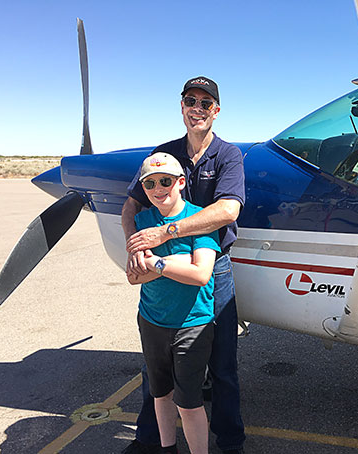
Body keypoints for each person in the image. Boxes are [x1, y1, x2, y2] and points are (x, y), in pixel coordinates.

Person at [122, 76, 246, 454]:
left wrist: (164, 234)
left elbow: (228, 210)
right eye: (190, 100)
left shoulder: (228, 155)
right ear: (181, 106)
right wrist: (134, 247)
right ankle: (150, 440)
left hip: (212, 268)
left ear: (216, 111)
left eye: (206, 103)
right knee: (154, 368)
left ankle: (230, 442)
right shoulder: (164, 155)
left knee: (222, 364)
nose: (197, 108)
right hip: (161, 272)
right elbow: (131, 207)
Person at [128, 152, 220, 454]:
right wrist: (175, 262)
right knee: (160, 394)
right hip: (153, 320)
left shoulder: (198, 220)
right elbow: (133, 277)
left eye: (165, 181)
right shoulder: (142, 221)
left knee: (190, 402)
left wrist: (156, 264)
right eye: (150, 183)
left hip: (192, 325)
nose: (158, 189)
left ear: (180, 182)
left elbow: (201, 274)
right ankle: (167, 449)